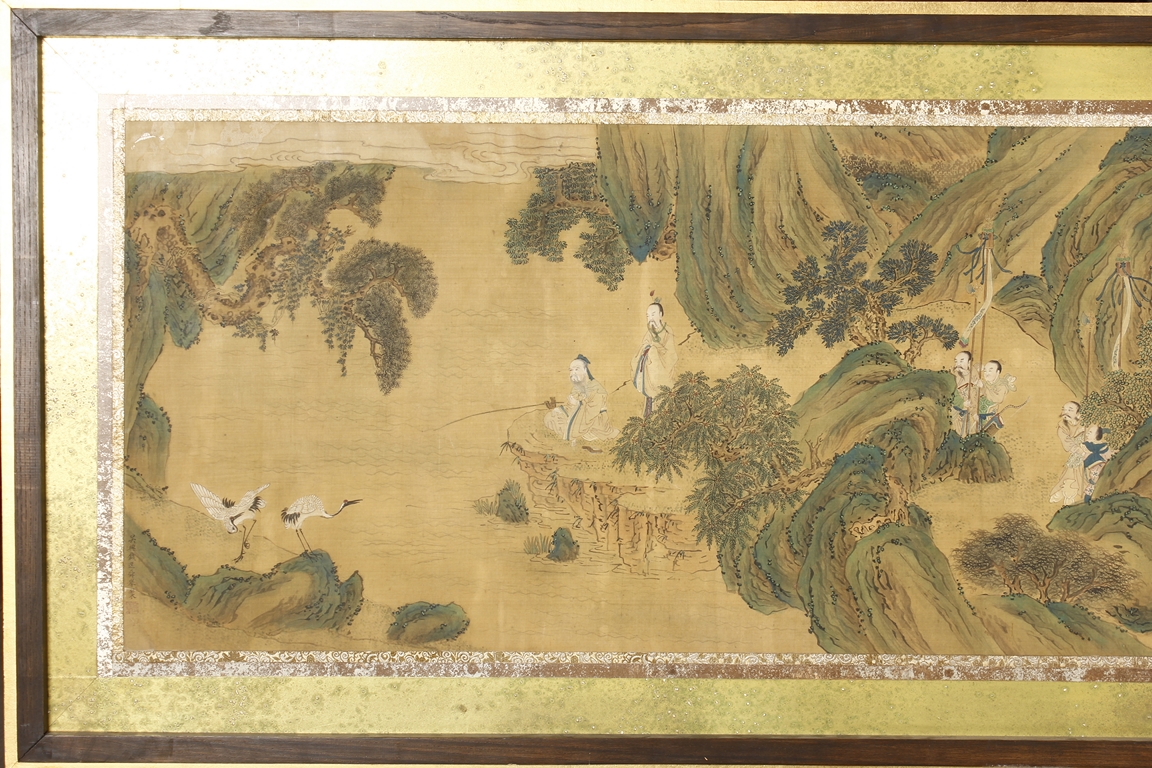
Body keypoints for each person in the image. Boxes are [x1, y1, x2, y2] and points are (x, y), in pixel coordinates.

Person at [544, 355, 620, 446]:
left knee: (569, 425)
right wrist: (558, 409)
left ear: (585, 370)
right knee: (550, 417)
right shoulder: (577, 387)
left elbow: (591, 413)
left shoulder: (596, 389)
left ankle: (572, 433)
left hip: (595, 422)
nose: (573, 373)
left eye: (577, 369)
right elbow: (570, 406)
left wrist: (577, 404)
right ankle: (569, 430)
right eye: (571, 370)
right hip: (579, 416)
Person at [630, 301, 678, 418]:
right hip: (651, 371)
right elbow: (644, 346)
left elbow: (670, 353)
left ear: (661, 315)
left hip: (664, 369)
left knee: (662, 397)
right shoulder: (649, 333)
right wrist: (648, 349)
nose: (650, 318)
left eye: (653, 314)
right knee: (651, 396)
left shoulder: (667, 331)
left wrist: (654, 349)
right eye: (648, 316)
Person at [1049, 401, 1086, 506]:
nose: (1066, 412)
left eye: (1070, 410)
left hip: (1089, 453)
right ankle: (1066, 496)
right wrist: (1080, 451)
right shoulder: (1062, 427)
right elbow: (1068, 444)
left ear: (1078, 414)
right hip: (1077, 456)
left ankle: (1062, 492)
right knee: (1071, 475)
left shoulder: (1086, 423)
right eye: (1064, 409)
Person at [976, 360, 1016, 433]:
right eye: (985, 371)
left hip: (989, 420)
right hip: (976, 418)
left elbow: (996, 398)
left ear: (997, 372)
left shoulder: (1001, 386)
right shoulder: (984, 384)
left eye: (990, 370)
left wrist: (983, 388)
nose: (986, 373)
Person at [1078, 425, 1113, 503]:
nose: (1087, 434)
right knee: (1093, 481)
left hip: (1100, 466)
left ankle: (1090, 496)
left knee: (1095, 481)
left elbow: (1108, 456)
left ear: (1096, 436)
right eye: (1088, 432)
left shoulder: (1102, 446)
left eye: (1090, 432)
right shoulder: (1088, 445)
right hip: (1093, 467)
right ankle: (1088, 497)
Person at [950, 351, 978, 437]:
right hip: (953, 412)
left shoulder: (974, 378)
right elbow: (950, 395)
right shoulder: (952, 377)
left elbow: (974, 398)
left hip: (966, 414)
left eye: (961, 361)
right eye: (956, 361)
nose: (958, 364)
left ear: (969, 363)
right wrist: (962, 403)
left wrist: (974, 413)